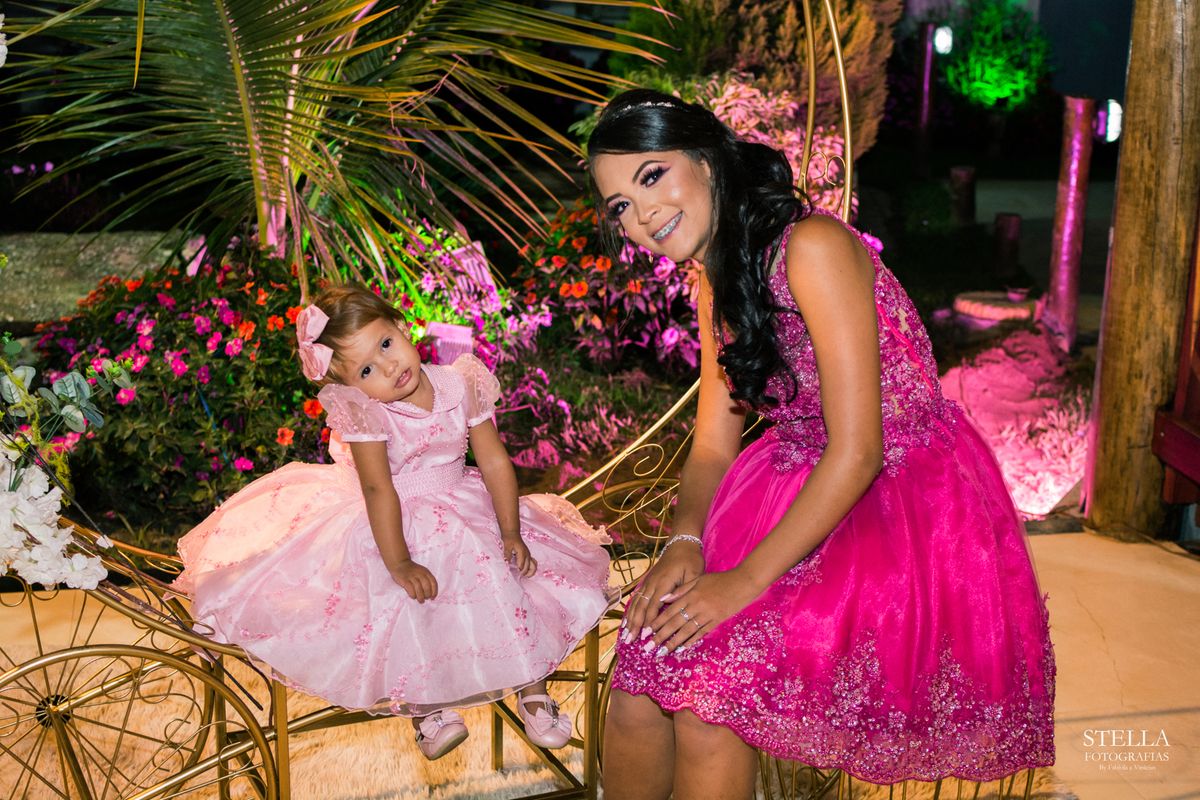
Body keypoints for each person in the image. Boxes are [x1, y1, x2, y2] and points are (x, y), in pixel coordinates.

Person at [589, 90, 1055, 799]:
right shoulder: (716, 280)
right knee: (638, 681)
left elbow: (860, 451)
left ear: (707, 161)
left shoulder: (812, 246)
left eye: (652, 176)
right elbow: (713, 444)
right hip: (790, 483)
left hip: (893, 506)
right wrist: (684, 542)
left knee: (710, 706)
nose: (642, 214)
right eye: (621, 204)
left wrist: (741, 582)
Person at [174, 285, 618, 761]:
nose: (388, 367)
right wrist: (400, 562)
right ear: (351, 388)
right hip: (390, 516)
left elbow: (492, 461)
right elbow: (378, 491)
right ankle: (428, 707)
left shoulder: (461, 383)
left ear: (403, 327)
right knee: (402, 597)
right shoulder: (365, 413)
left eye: (386, 344)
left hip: (461, 499)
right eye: (366, 370)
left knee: (511, 574)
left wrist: (509, 530)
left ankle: (533, 689)